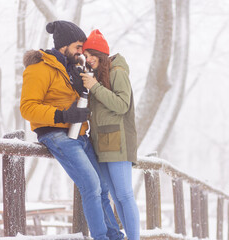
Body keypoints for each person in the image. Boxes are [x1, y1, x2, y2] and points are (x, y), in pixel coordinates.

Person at [20, 21, 124, 240]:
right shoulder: (39, 68)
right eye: (78, 47)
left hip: (79, 134)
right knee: (91, 185)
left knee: (103, 187)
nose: (81, 52)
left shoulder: (72, 69)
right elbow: (27, 108)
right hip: (56, 134)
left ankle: (115, 236)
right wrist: (63, 116)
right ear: (64, 45)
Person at [79, 29, 140, 240]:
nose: (88, 59)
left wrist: (95, 87)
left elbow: (122, 105)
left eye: (91, 54)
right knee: (115, 196)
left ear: (101, 53)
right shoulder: (97, 76)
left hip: (119, 141)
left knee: (124, 195)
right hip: (101, 142)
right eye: (85, 56)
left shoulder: (117, 72)